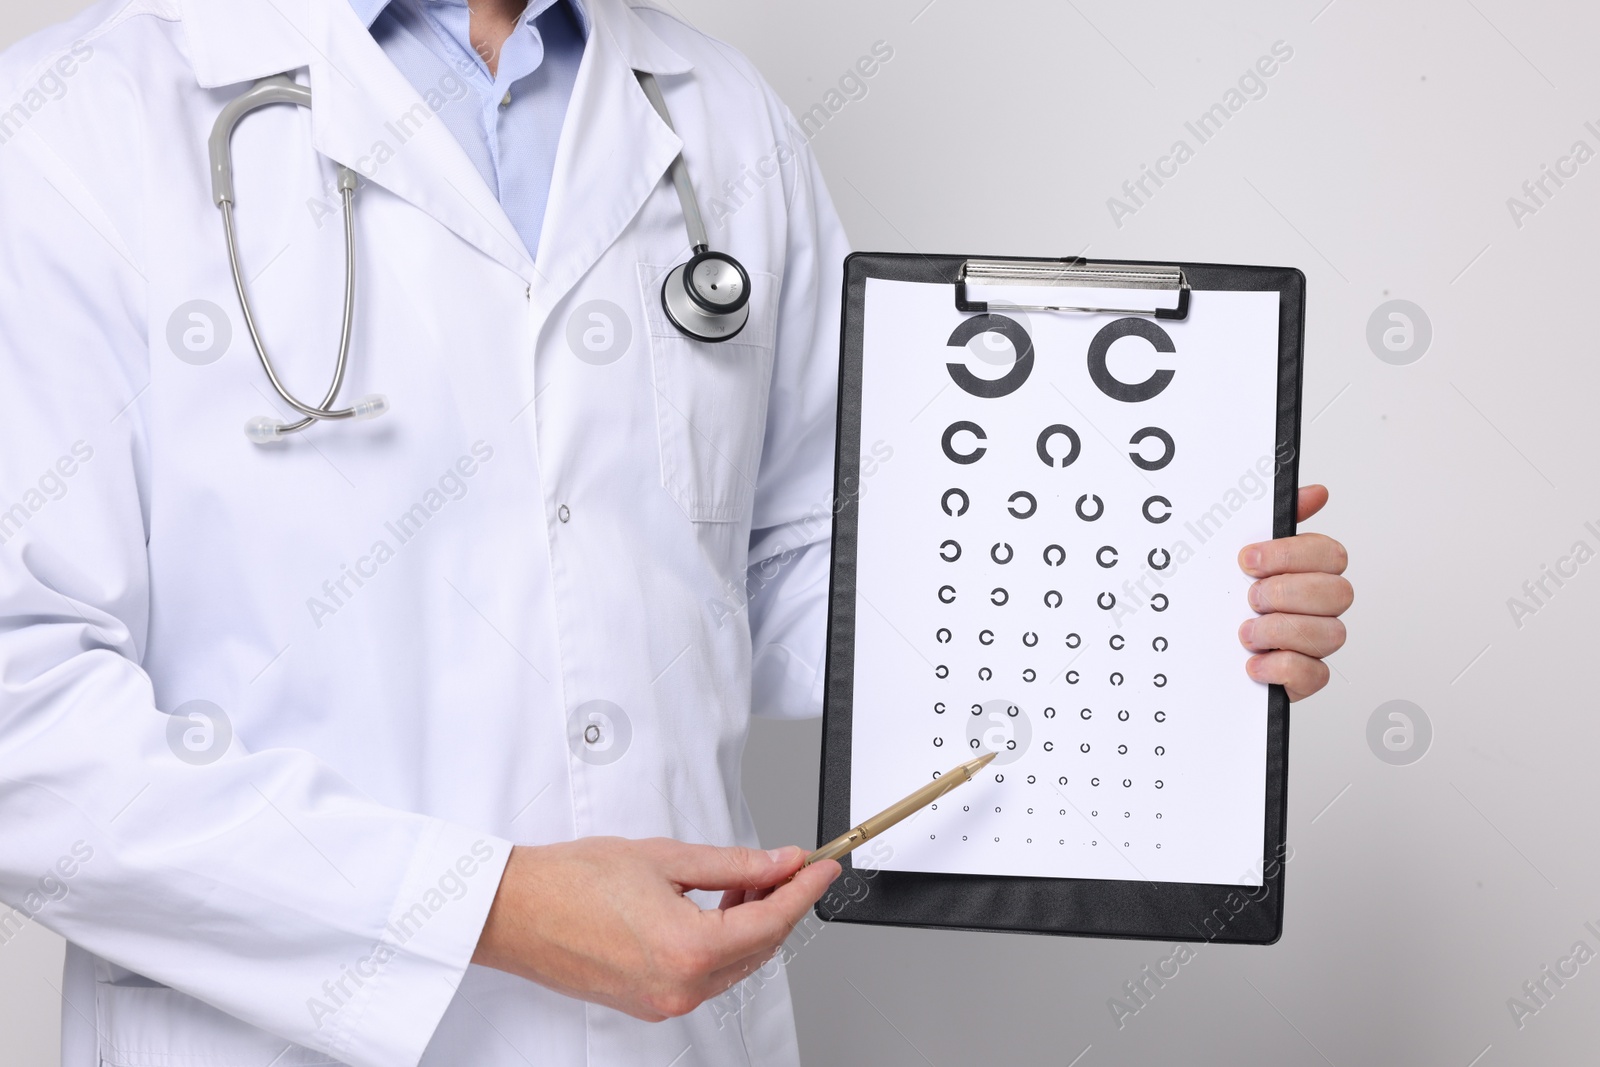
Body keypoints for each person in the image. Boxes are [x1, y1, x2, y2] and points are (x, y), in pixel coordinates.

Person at [0, 0, 1353, 1064]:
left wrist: (1152, 596)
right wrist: (482, 907)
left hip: (681, 1035)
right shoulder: (79, 125)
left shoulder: (720, 120)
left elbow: (791, 574)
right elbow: (21, 718)